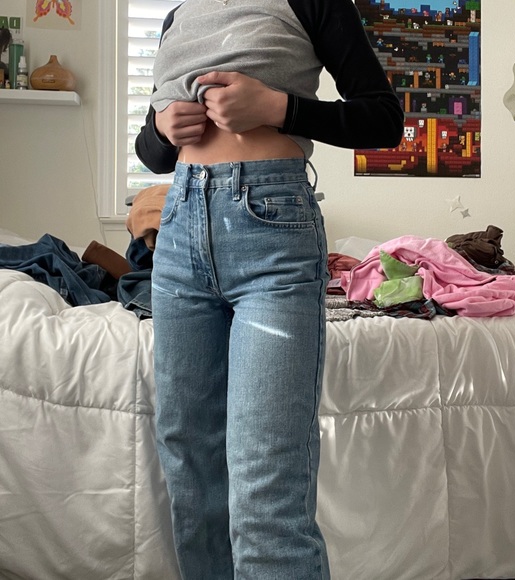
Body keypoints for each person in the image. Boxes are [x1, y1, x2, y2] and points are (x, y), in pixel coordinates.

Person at [135, 0, 404, 578]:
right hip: (179, 229)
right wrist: (160, 129)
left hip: (272, 229)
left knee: (267, 470)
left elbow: (383, 119)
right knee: (189, 457)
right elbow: (151, 153)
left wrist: (278, 108)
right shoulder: (178, 16)